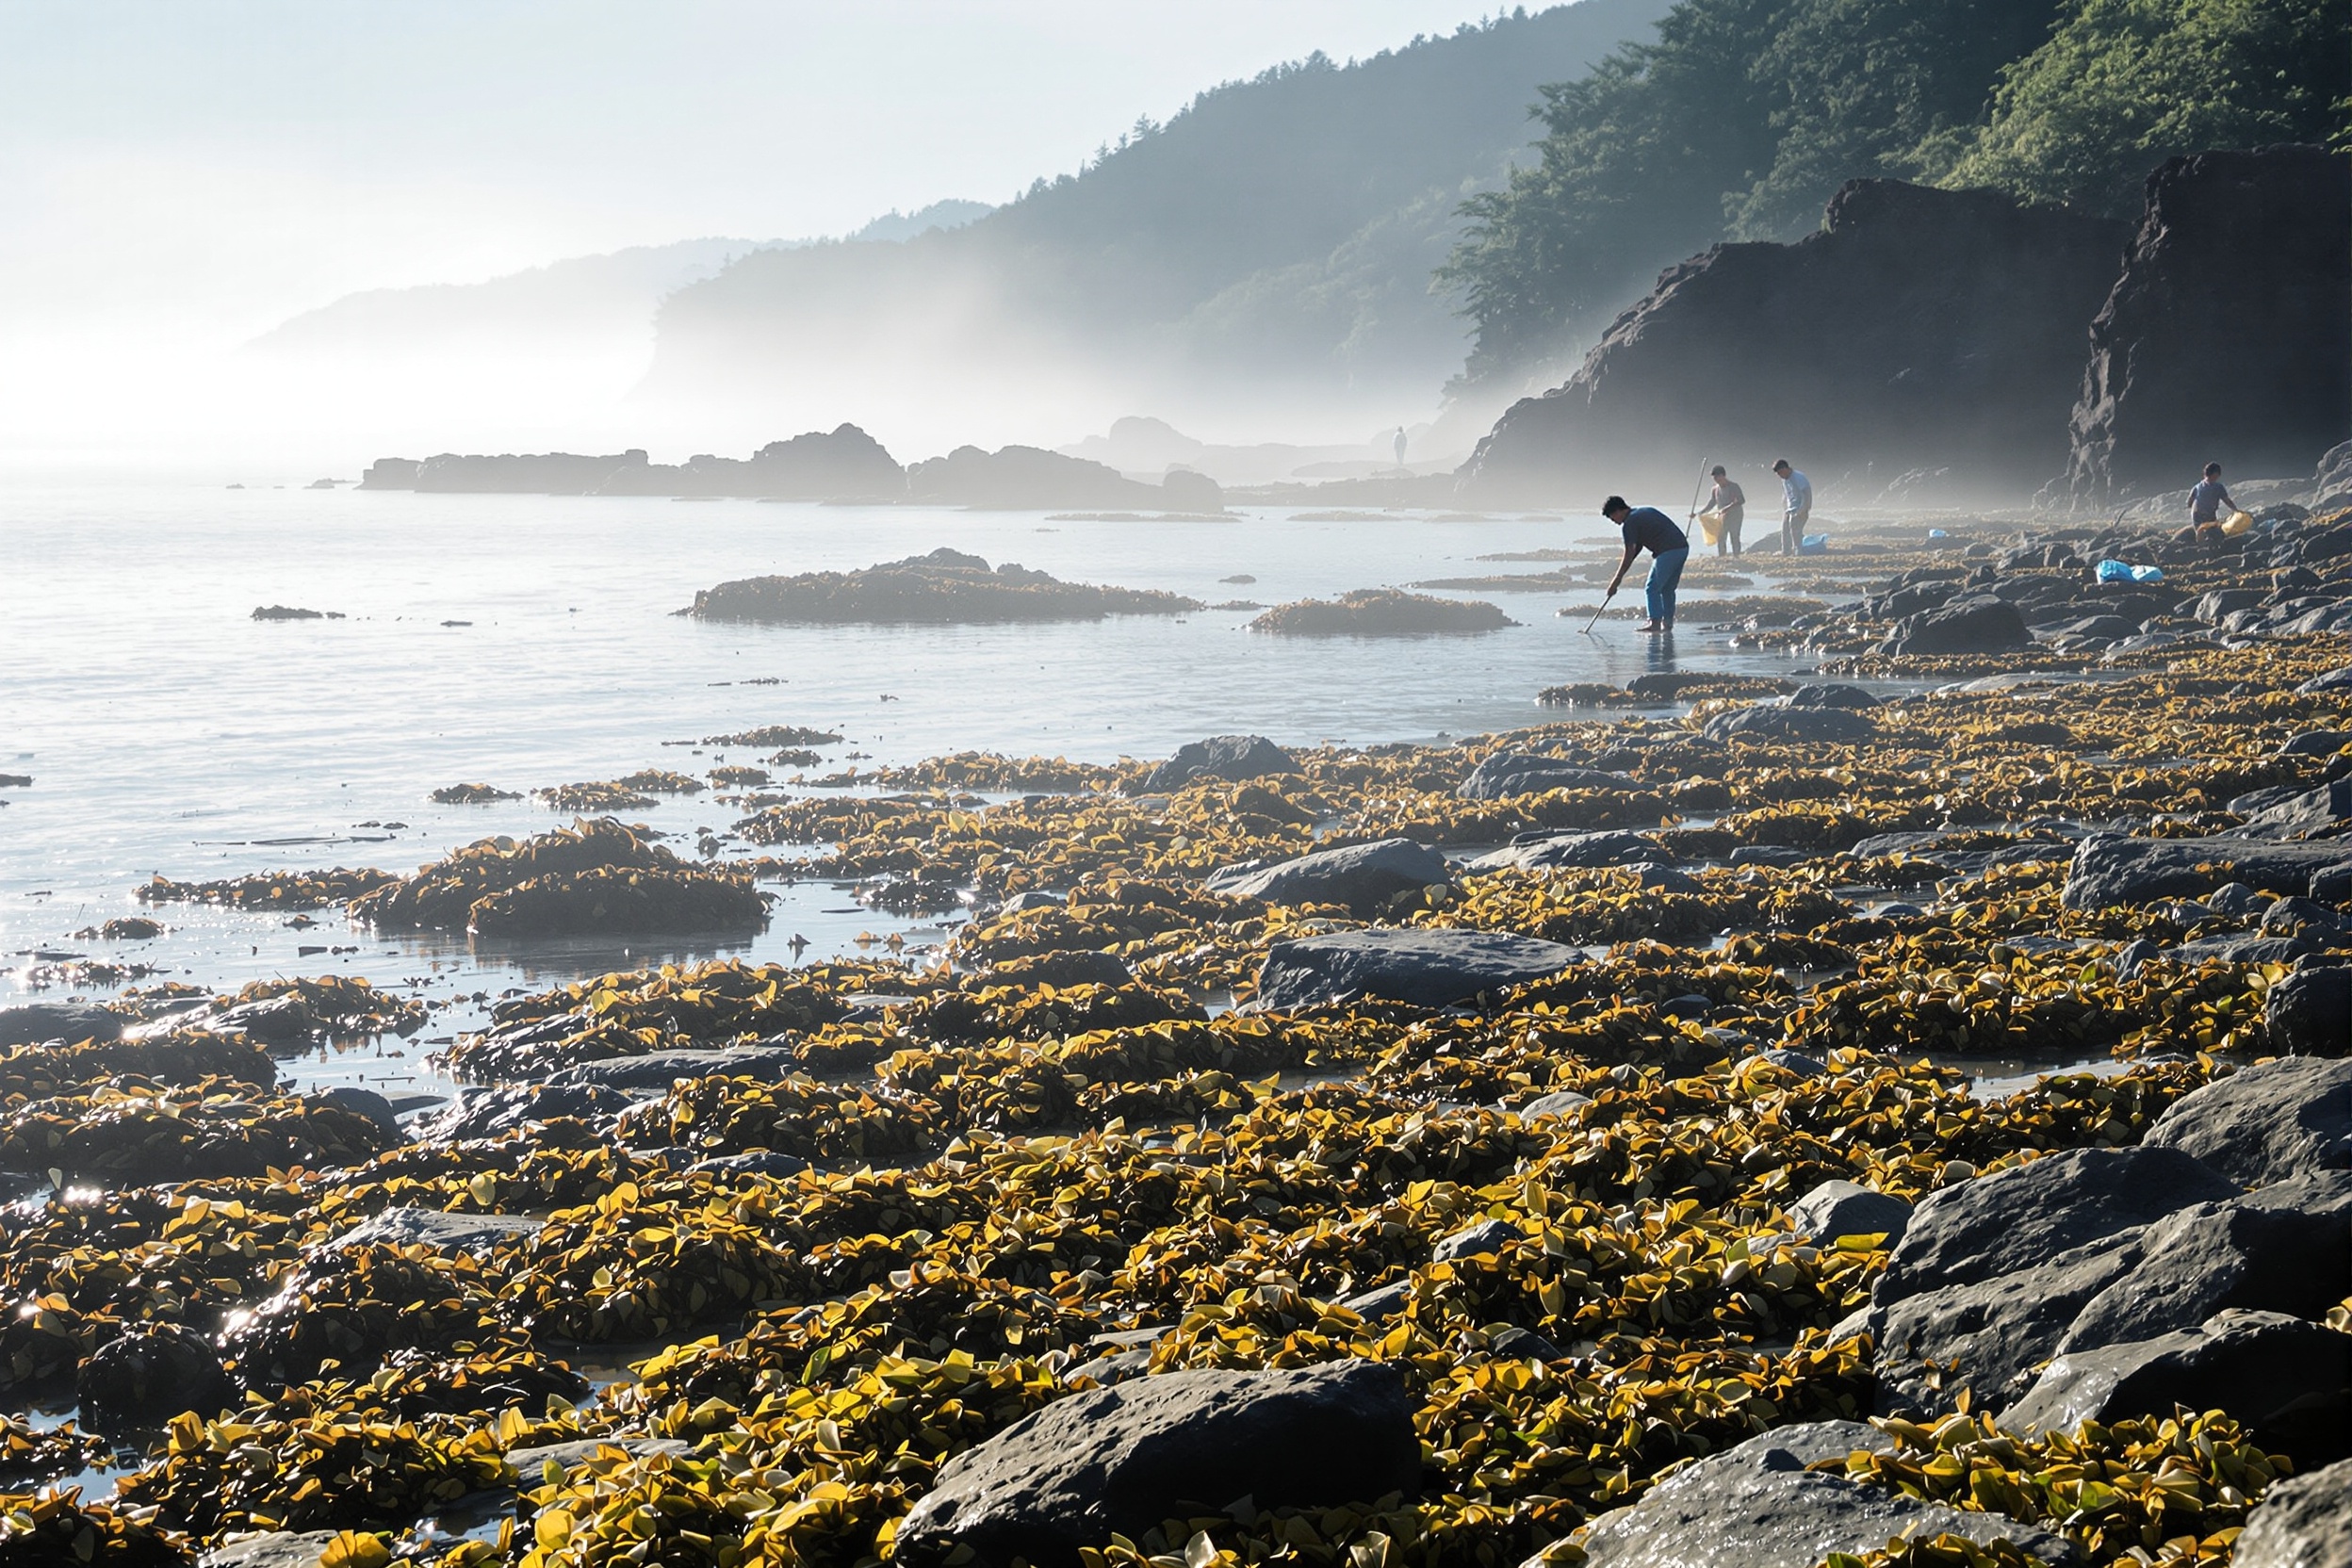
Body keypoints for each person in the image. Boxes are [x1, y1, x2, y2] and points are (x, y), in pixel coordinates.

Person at [1602, 494, 1689, 634]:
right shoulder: (1643, 511)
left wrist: (1617, 579)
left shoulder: (1629, 523)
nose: (1614, 521)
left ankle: (1654, 623)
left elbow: (1629, 552)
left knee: (1652, 587)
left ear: (1618, 511)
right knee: (1667, 589)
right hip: (1682, 548)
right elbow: (1638, 547)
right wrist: (1623, 571)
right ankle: (1667, 624)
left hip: (1668, 551)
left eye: (1612, 518)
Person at [1772, 458, 1811, 555]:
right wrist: (1784, 507)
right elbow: (1786, 494)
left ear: (1785, 469)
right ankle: (1786, 551)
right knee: (1785, 530)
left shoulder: (1798, 477)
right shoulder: (1784, 479)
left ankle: (1798, 552)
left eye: (1780, 473)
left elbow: (1807, 495)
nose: (1779, 476)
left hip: (1800, 508)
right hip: (1790, 509)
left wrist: (1803, 510)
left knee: (1795, 531)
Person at [1705, 465, 1745, 557]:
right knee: (1721, 537)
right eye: (1714, 478)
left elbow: (1741, 500)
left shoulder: (1734, 486)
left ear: (1723, 475)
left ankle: (1736, 556)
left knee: (1734, 536)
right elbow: (1712, 503)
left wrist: (1728, 507)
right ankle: (1722, 556)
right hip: (1722, 517)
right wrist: (1700, 513)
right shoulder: (1715, 489)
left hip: (1735, 515)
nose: (1716, 480)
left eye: (1717, 477)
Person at [2189, 462, 2233, 541]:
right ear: (2216, 474)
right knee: (2207, 532)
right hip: (2202, 514)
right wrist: (2235, 510)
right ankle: (2205, 544)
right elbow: (2227, 500)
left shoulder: (2197, 487)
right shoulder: (2218, 487)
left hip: (2199, 513)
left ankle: (2202, 544)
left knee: (2203, 532)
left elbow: (2190, 501)